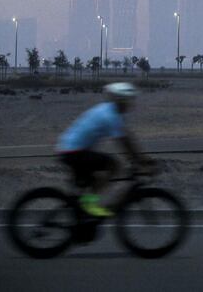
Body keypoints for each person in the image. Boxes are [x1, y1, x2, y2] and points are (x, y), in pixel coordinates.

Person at [57, 82, 152, 217]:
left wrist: (139, 158)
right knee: (113, 165)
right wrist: (141, 160)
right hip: (74, 152)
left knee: (91, 181)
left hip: (69, 148)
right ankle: (89, 205)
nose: (131, 104)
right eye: (130, 100)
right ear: (122, 100)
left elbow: (127, 136)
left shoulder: (108, 110)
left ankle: (82, 211)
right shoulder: (111, 116)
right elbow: (125, 143)